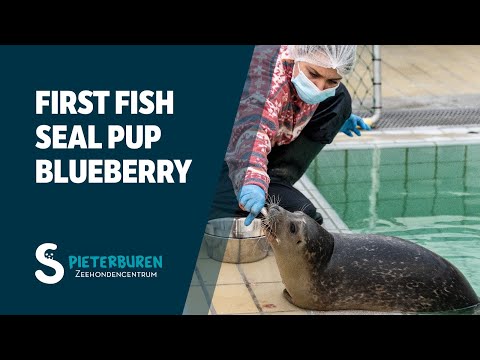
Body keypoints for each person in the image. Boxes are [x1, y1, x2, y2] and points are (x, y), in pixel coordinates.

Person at [209, 45, 370, 226]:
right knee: (303, 218)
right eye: (313, 74)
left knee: (338, 100)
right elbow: (252, 132)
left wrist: (336, 117)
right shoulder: (264, 80)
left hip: (260, 146)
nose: (319, 89)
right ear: (296, 54)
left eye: (332, 81)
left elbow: (306, 98)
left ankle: (274, 180)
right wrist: (252, 179)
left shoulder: (301, 68)